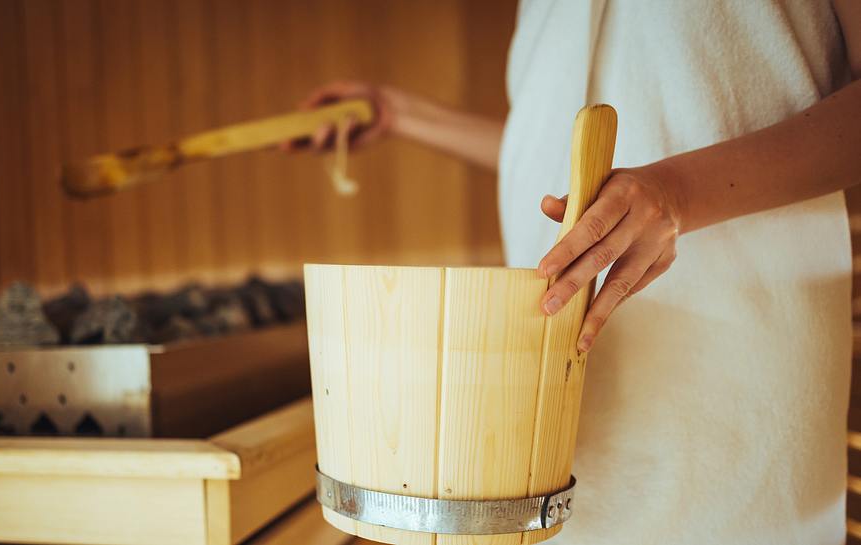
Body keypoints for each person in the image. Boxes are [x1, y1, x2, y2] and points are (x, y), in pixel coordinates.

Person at [289, 1, 861, 544]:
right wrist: (404, 115)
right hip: (539, 407)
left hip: (728, 371)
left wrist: (678, 194)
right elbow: (555, 165)